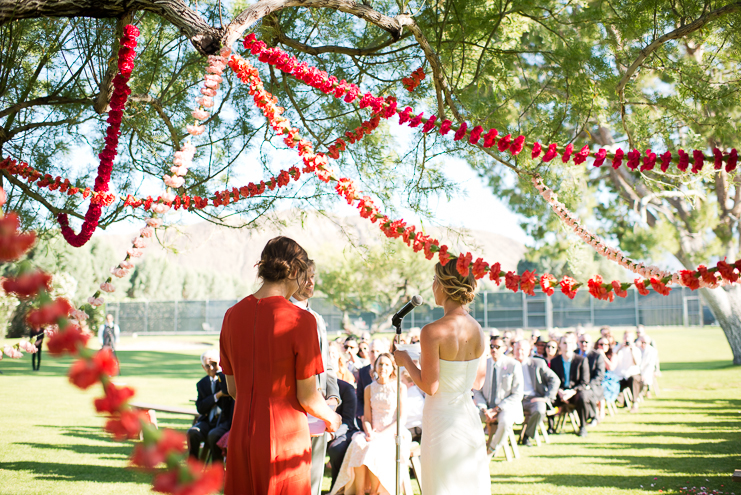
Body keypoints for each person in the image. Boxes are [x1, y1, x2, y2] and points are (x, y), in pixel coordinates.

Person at [219, 236, 341, 495]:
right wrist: (332, 417)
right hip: (284, 439)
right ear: (294, 271)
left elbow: (233, 388)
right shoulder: (301, 321)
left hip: (241, 436)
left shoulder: (231, 316)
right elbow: (308, 397)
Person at [394, 260, 490, 495]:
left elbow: (430, 386)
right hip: (468, 417)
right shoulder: (478, 329)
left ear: (446, 285)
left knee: (440, 485)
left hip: (441, 421)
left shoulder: (432, 331)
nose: (433, 285)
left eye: (435, 280)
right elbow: (478, 382)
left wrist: (405, 360)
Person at [291, 260, 341, 495]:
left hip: (320, 409)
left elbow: (327, 364)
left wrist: (333, 396)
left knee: (314, 477)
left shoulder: (318, 319)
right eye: (306, 276)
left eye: (314, 276)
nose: (311, 281)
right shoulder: (285, 315)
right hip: (294, 408)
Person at [329, 353, 411, 495]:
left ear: (392, 368)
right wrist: (368, 431)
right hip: (372, 431)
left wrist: (381, 435)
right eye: (380, 364)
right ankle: (359, 491)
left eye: (386, 365)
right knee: (358, 444)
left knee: (373, 449)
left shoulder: (400, 387)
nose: (383, 368)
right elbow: (366, 417)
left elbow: (401, 418)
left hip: (393, 431)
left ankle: (374, 491)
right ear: (375, 367)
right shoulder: (369, 389)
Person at [474, 335, 524, 454]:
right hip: (485, 408)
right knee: (469, 416)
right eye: (491, 346)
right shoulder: (482, 364)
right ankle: (473, 449)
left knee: (505, 421)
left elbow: (517, 394)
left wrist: (497, 409)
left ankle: (491, 450)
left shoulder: (513, 365)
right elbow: (476, 390)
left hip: (505, 408)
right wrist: (484, 408)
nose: (494, 349)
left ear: (504, 348)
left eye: (497, 346)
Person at [187, 349, 234, 465]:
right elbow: (201, 408)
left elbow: (226, 390)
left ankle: (216, 470)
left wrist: (219, 372)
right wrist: (217, 396)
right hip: (208, 421)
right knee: (193, 432)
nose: (211, 368)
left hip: (224, 422)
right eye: (208, 366)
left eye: (214, 364)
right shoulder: (202, 384)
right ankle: (192, 467)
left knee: (213, 435)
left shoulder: (225, 379)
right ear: (203, 367)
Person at [513, 339, 560, 446]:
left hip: (533, 398)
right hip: (514, 399)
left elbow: (555, 380)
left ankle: (527, 436)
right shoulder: (509, 364)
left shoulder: (538, 363)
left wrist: (547, 398)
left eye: (522, 350)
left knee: (540, 409)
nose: (519, 352)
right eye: (517, 349)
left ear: (529, 351)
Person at [550, 332, 592, 436]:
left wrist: (572, 392)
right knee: (548, 396)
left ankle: (582, 427)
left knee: (583, 397)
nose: (567, 345)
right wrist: (559, 391)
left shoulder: (581, 360)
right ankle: (550, 427)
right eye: (564, 343)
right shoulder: (555, 361)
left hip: (575, 392)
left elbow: (584, 382)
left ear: (574, 345)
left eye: (570, 342)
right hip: (559, 393)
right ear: (560, 345)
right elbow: (552, 380)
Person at [327, 378, 359, 488]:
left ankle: (336, 487)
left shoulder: (346, 389)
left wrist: (331, 434)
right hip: (318, 432)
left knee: (336, 448)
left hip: (343, 431)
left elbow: (348, 422)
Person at [355, 339, 387, 425]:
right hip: (366, 418)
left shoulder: (389, 372)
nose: (375, 355)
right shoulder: (362, 372)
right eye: (372, 351)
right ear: (368, 353)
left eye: (378, 351)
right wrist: (362, 416)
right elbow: (359, 397)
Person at [614, 330, 642, 412]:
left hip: (632, 374)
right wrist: (620, 348)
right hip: (620, 375)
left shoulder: (636, 349)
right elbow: (613, 358)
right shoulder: (618, 348)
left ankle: (635, 403)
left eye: (629, 337)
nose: (627, 339)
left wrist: (631, 349)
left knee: (633, 380)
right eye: (625, 337)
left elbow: (637, 363)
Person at [585, 338, 606, 425]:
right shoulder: (574, 354)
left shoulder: (596, 356)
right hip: (577, 385)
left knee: (589, 392)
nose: (584, 344)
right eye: (581, 341)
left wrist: (589, 385)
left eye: (586, 341)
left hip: (593, 385)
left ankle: (594, 417)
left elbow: (600, 375)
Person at [402, 369, 425, 443]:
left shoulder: (410, 394)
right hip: (417, 428)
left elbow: (405, 415)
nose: (400, 383)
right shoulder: (416, 393)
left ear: (411, 384)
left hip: (413, 429)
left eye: (402, 381)